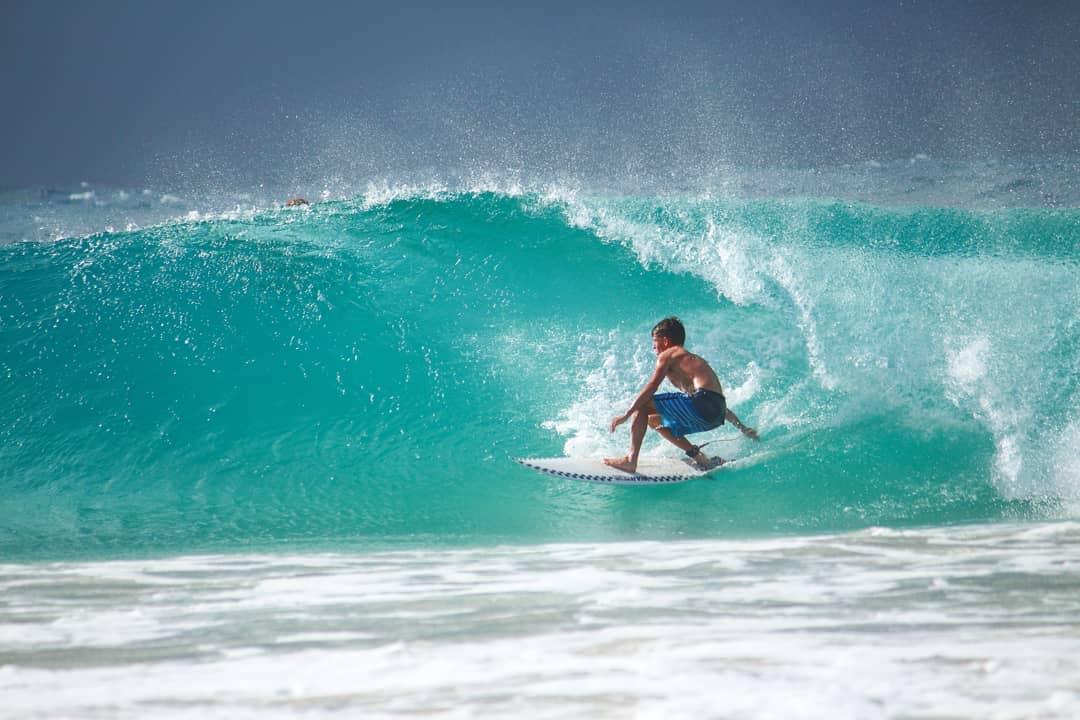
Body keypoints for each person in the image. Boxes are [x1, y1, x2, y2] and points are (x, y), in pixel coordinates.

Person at [604, 317, 759, 473]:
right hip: (714, 414)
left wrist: (626, 414)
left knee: (643, 404)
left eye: (655, 341)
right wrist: (743, 428)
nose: (653, 347)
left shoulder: (668, 355)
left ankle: (631, 460)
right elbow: (717, 405)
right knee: (654, 420)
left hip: (701, 404)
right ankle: (699, 458)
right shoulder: (691, 362)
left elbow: (652, 386)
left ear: (665, 341)